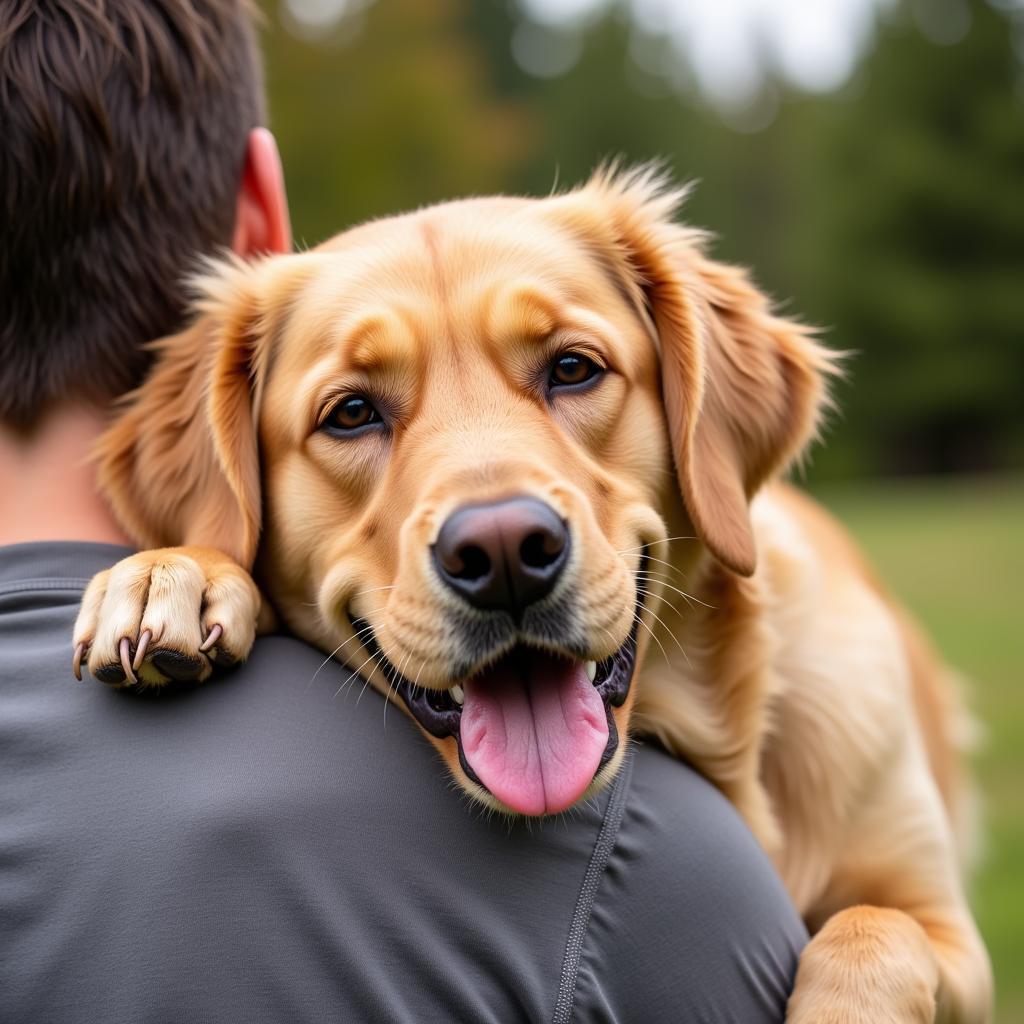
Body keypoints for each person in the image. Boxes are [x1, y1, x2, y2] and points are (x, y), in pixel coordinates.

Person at [0, 2, 807, 1021]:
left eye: (570, 369)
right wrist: (209, 556)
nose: (495, 525)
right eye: (351, 412)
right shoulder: (658, 879)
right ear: (262, 212)